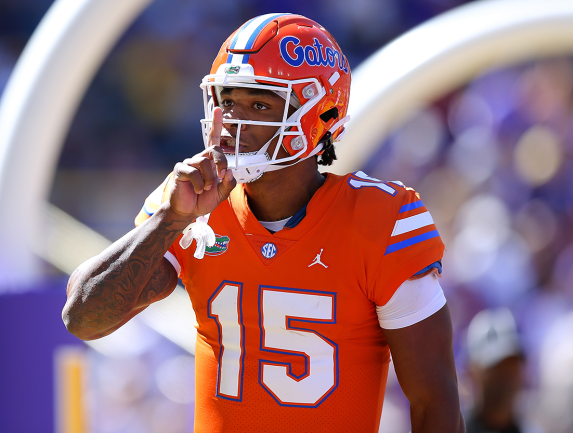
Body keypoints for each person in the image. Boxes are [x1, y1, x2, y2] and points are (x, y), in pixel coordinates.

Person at [62, 13, 465, 432]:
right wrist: (170, 219)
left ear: (319, 115)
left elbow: (434, 401)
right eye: (227, 102)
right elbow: (84, 318)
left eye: (258, 105)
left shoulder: (381, 219)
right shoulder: (190, 203)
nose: (233, 122)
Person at [466, 308, 526, 433]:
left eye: (511, 364)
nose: (505, 376)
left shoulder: (533, 430)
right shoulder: (452, 428)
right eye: (495, 367)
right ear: (472, 371)